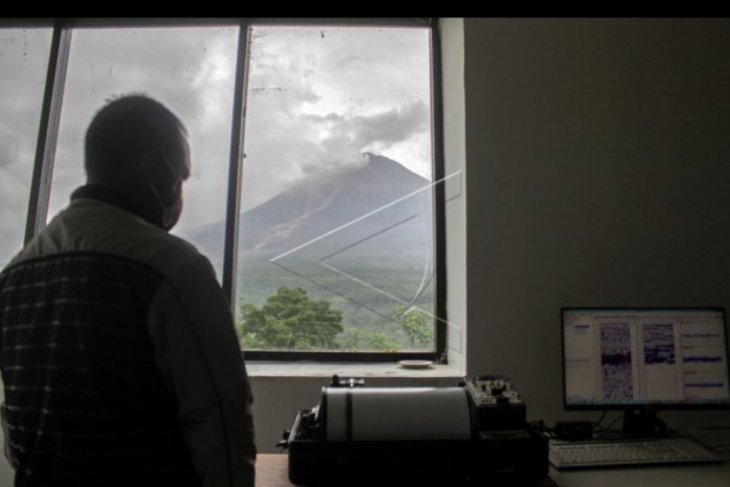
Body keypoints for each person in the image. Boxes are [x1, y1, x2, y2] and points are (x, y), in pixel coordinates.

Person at [0, 94, 256, 486]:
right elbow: (220, 421)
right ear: (156, 169)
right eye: (181, 176)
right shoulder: (172, 269)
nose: (180, 192)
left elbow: (17, 428)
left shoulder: (16, 274)